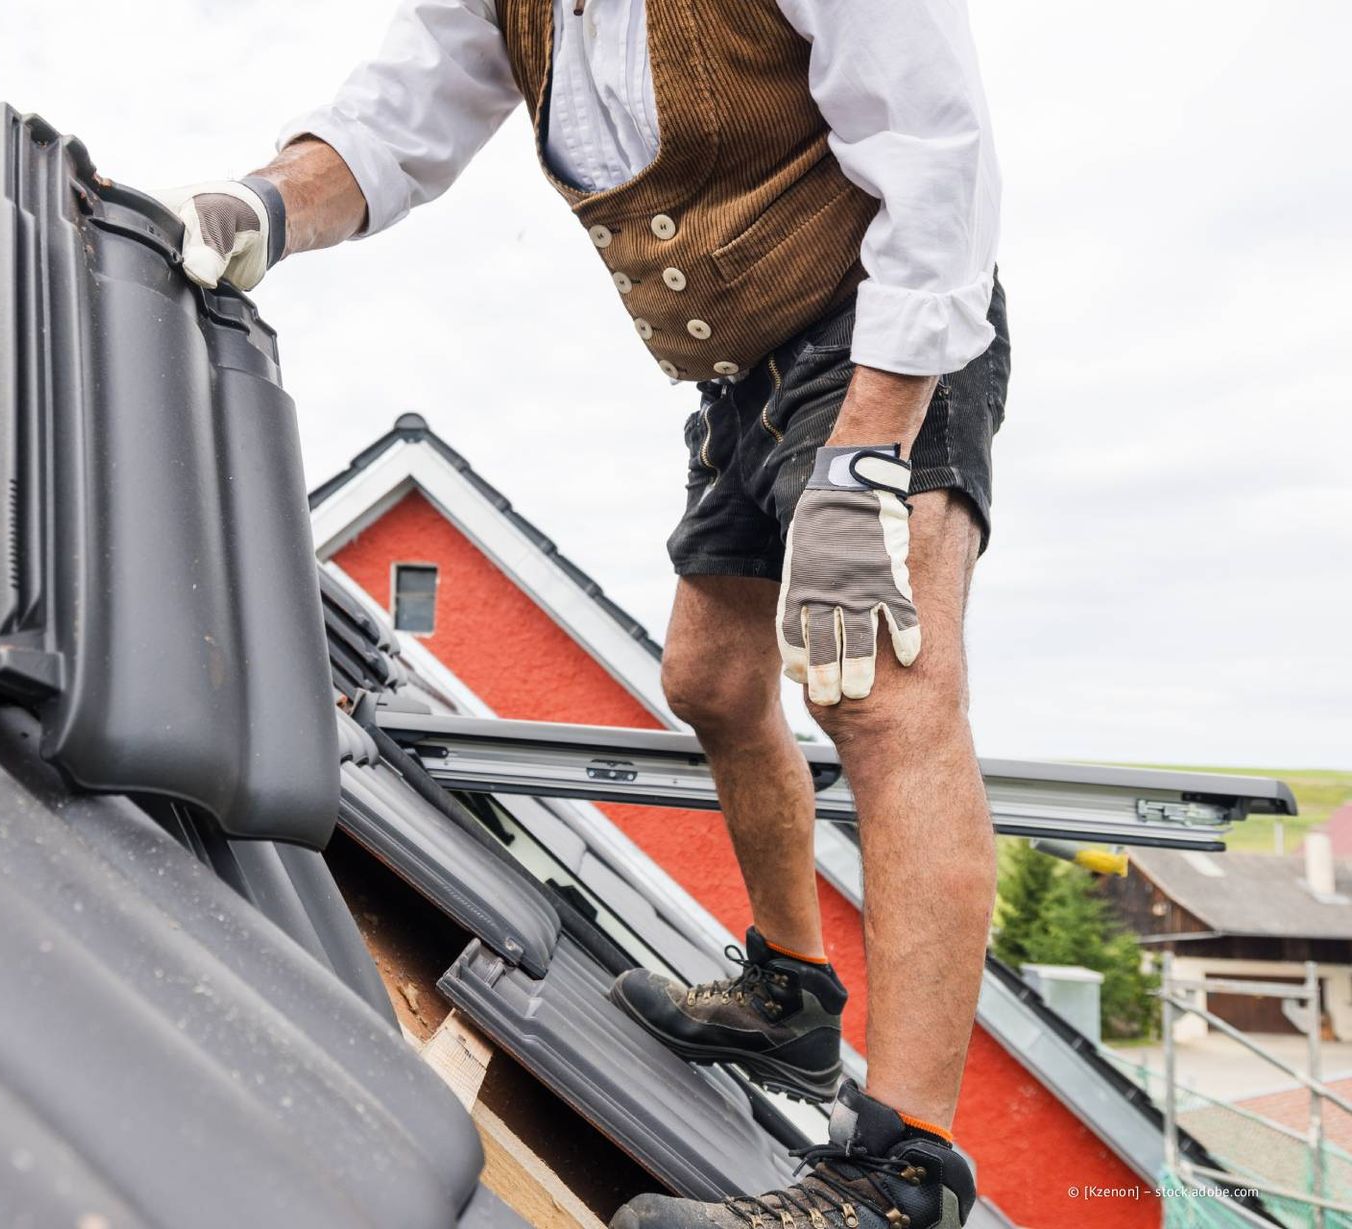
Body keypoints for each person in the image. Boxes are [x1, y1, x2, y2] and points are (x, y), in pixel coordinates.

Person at [155, 2, 1008, 1225]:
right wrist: (259, 206)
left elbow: (940, 160)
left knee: (883, 694)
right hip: (746, 378)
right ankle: (791, 999)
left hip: (882, 344)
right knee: (710, 680)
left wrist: (866, 455)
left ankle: (899, 1174)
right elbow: (392, 123)